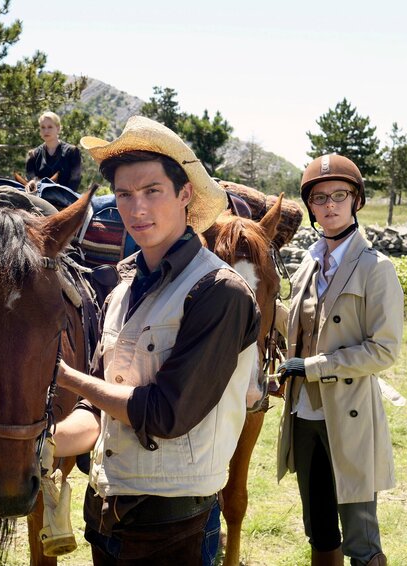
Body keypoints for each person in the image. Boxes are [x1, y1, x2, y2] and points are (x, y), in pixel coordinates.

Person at [45, 116, 261, 565]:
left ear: (185, 195)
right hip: (106, 519)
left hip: (174, 531)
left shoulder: (219, 292)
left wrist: (66, 377)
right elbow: (97, 409)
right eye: (124, 194)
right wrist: (41, 444)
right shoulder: (122, 289)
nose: (136, 208)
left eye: (152, 191)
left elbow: (165, 414)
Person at [275, 154, 404, 566]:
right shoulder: (306, 265)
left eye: (339, 195)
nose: (329, 205)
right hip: (302, 413)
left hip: (349, 413)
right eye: (319, 198)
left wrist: (314, 368)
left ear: (356, 200)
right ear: (310, 207)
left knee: (360, 535)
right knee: (319, 529)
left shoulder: (376, 269)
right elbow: (295, 328)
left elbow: (384, 349)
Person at [25, 111, 82, 191]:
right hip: (39, 197)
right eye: (43, 127)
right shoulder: (33, 155)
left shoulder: (72, 152)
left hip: (66, 196)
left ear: (58, 128)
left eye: (50, 127)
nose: (46, 131)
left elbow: (75, 180)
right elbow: (31, 183)